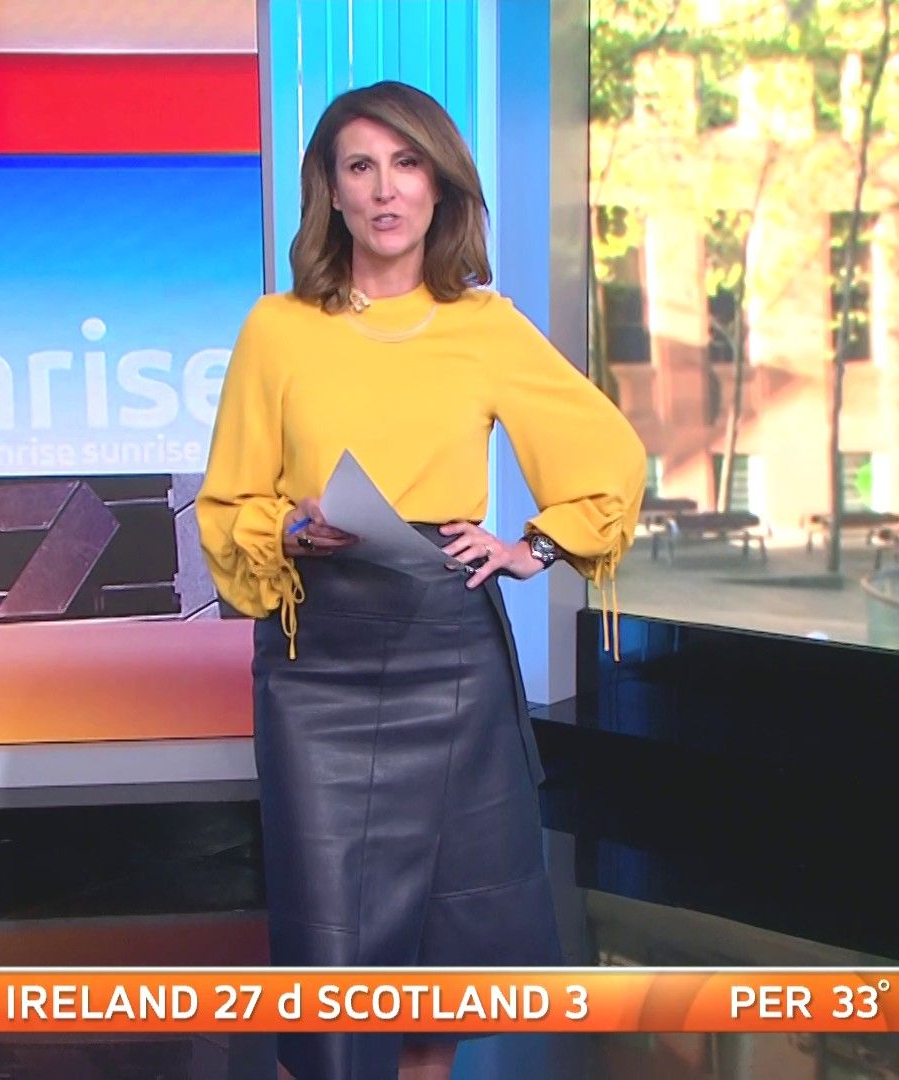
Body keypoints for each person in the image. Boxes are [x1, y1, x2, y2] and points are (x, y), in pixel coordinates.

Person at [196, 81, 645, 1080]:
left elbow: (604, 450)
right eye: (360, 166)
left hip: (448, 650)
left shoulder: (483, 323)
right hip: (320, 656)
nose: (385, 189)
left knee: (442, 955)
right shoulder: (277, 328)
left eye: (407, 165)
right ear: (331, 191)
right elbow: (230, 501)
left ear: (440, 187)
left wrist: (536, 544)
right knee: (328, 953)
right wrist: (292, 527)